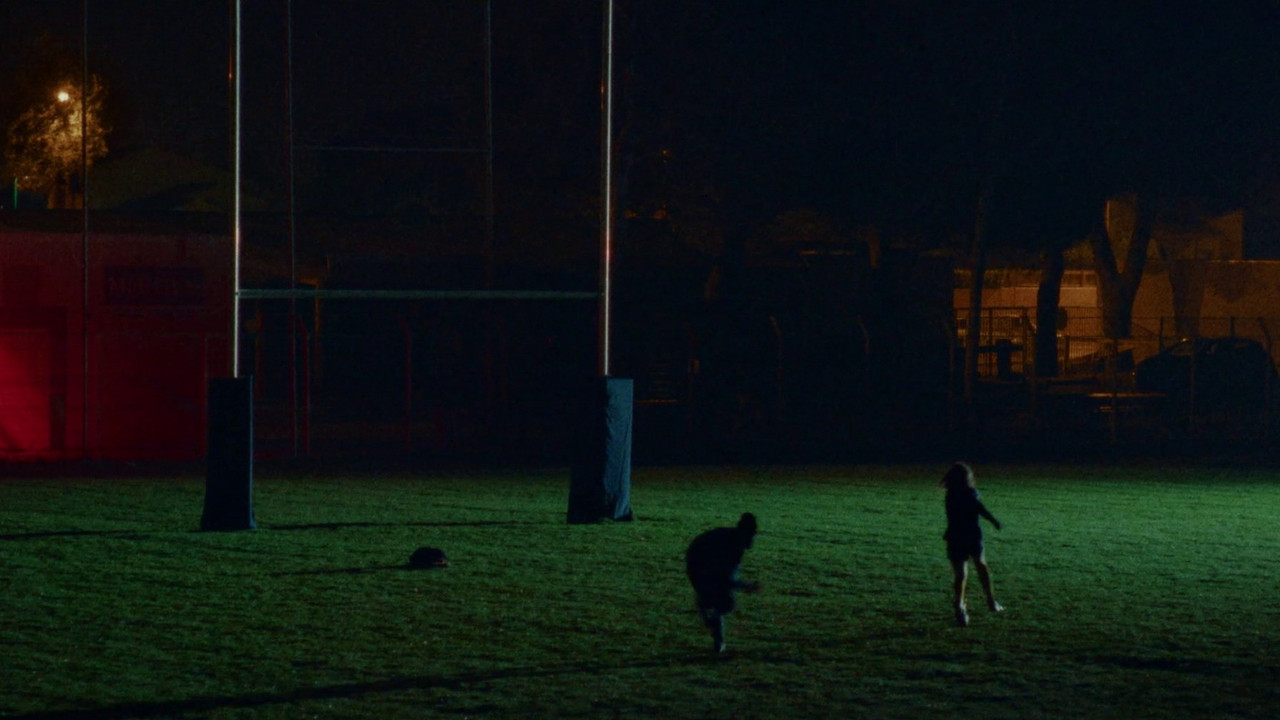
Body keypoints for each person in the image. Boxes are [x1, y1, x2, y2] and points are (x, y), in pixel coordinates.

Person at [685, 512, 761, 653]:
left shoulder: (731, 538)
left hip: (697, 561)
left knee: (718, 601)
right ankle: (716, 636)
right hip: (699, 565)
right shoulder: (734, 546)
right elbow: (726, 579)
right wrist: (747, 586)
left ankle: (718, 640)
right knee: (723, 602)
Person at [941, 462, 1003, 626]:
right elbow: (979, 508)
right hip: (972, 535)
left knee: (961, 574)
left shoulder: (950, 494)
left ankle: (960, 606)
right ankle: (991, 601)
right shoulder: (971, 493)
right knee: (981, 566)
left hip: (955, 535)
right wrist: (994, 521)